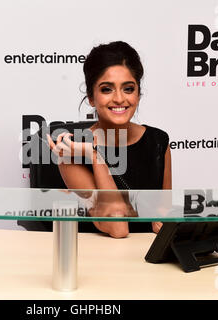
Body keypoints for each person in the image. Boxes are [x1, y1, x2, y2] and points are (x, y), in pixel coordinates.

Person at [47, 41, 171, 238]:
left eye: (128, 88)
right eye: (107, 89)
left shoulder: (158, 140)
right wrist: (94, 155)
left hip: (150, 259)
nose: (119, 99)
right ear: (91, 96)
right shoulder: (70, 152)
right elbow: (117, 226)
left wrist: (165, 223)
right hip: (99, 260)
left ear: (138, 94)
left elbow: (165, 213)